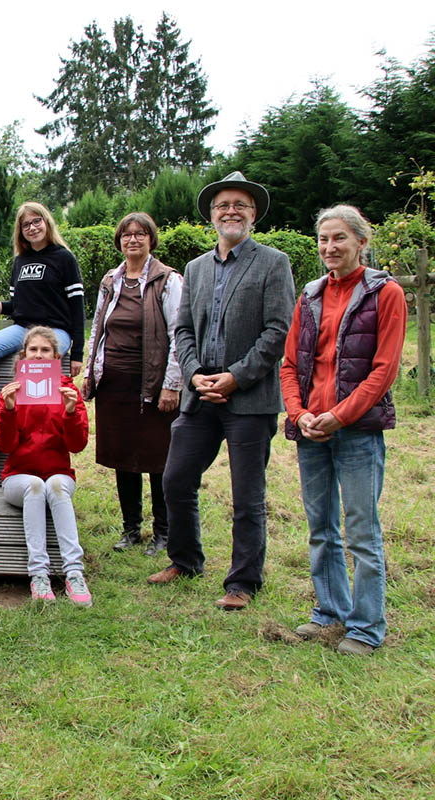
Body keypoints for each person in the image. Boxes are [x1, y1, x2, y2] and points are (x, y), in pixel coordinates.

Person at [147, 172, 296, 611]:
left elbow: (277, 331)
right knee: (176, 479)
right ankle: (186, 560)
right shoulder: (195, 268)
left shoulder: (273, 263)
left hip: (247, 397)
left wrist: (235, 376)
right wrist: (193, 375)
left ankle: (243, 582)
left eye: (240, 205)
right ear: (212, 216)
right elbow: (184, 329)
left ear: (253, 215)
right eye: (223, 205)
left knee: (246, 494)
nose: (231, 211)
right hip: (200, 394)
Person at [281, 205, 405, 655]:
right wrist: (299, 414)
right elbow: (291, 364)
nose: (329, 248)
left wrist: (341, 415)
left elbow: (384, 369)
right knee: (320, 528)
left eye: (339, 239)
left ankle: (366, 628)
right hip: (312, 429)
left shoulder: (385, 293)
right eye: (323, 240)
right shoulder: (310, 295)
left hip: (356, 431)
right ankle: (329, 612)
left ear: (361, 242)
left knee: (361, 532)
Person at [83, 213, 183, 556]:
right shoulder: (110, 280)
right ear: (119, 241)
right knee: (123, 458)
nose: (133, 240)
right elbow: (97, 328)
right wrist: (88, 375)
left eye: (140, 234)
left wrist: (172, 384)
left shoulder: (168, 280)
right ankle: (131, 529)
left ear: (151, 240)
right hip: (115, 383)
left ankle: (164, 532)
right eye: (127, 235)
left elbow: (178, 334)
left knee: (158, 459)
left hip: (153, 385)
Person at [0, 202, 85, 461]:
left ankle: (36, 436)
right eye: (25, 224)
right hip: (23, 329)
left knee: (39, 362)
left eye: (36, 221)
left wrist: (77, 353)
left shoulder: (64, 258)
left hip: (56, 331)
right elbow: (16, 306)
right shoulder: (20, 261)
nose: (32, 227)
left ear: (47, 222)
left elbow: (77, 308)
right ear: (20, 231)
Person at [0, 327, 91, 606]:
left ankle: (74, 573)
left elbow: (77, 445)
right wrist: (10, 410)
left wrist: (72, 412)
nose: (39, 355)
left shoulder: (68, 390)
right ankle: (38, 574)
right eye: (33, 350)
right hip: (18, 478)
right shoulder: (12, 391)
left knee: (55, 485)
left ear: (56, 357)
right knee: (37, 486)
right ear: (24, 355)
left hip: (59, 475)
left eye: (45, 351)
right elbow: (5, 445)